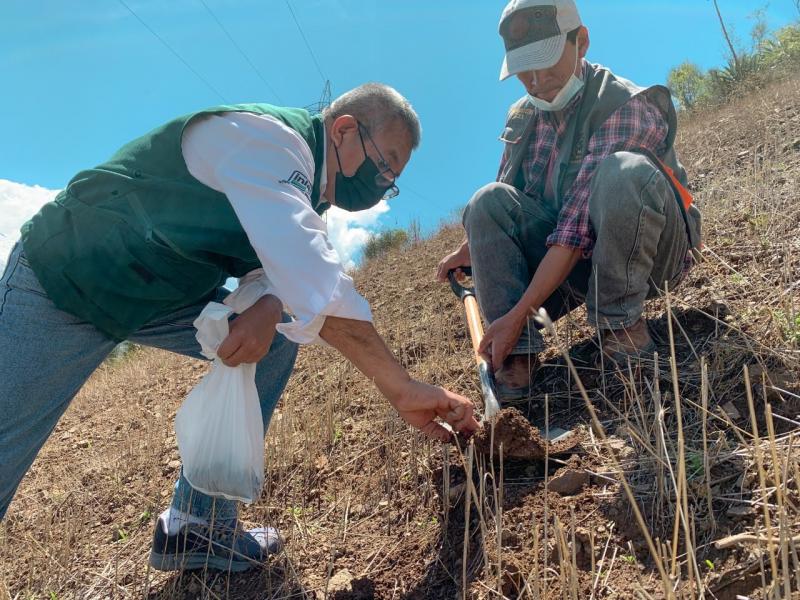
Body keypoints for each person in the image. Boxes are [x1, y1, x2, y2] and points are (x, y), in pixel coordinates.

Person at [0, 83, 479, 572]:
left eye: (392, 180)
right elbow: (315, 280)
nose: (382, 185)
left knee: (274, 340)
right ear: (343, 130)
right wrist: (401, 387)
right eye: (385, 165)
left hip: (159, 295)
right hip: (64, 279)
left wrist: (269, 303)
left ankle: (197, 525)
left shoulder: (307, 196)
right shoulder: (271, 143)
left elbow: (273, 269)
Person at [437, 0, 702, 401]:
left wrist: (517, 313)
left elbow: (573, 234)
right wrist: (469, 247)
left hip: (649, 255)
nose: (536, 81)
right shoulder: (523, 116)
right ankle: (517, 354)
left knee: (623, 172)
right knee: (485, 200)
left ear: (581, 42)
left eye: (546, 63)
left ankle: (619, 325)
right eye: (524, 69)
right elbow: (509, 198)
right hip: (576, 264)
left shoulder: (624, 104)